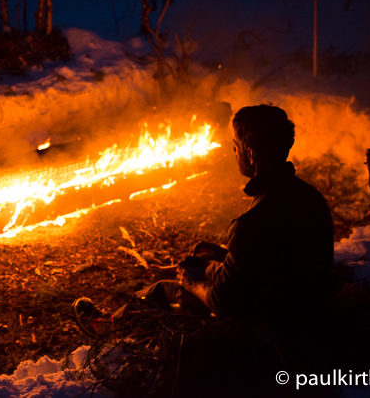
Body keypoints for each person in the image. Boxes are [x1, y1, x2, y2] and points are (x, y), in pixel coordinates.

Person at [74, 104, 334, 334]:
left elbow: (223, 302)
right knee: (202, 272)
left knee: (166, 290)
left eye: (236, 147)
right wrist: (224, 255)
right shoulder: (311, 198)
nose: (234, 153)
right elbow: (277, 260)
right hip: (305, 310)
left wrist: (193, 282)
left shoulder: (250, 223)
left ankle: (107, 328)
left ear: (251, 154)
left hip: (267, 326)